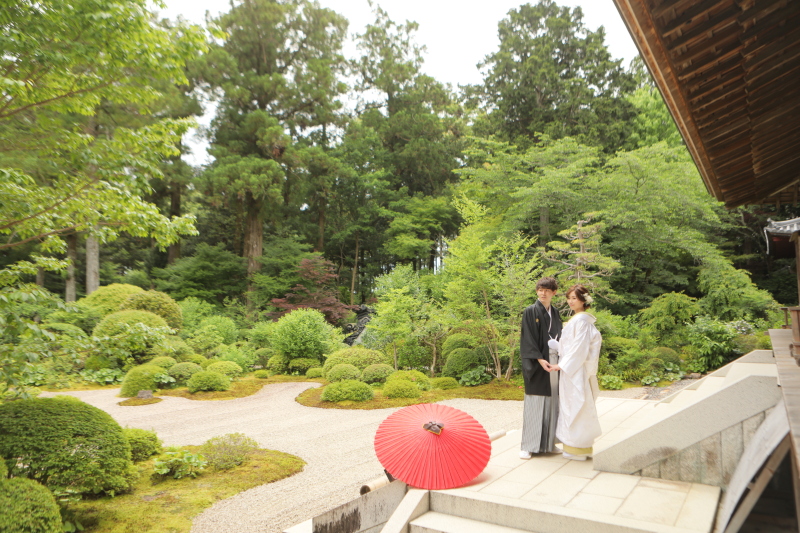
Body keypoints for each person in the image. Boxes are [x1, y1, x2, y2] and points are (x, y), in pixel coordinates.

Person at [552, 284, 602, 461]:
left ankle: (577, 449)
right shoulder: (580, 320)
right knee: (575, 405)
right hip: (573, 368)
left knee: (575, 405)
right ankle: (579, 447)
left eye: (574, 298)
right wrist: (558, 347)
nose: (570, 301)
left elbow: (579, 348)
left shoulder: (581, 321)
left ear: (583, 300)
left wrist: (562, 365)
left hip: (574, 370)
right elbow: (574, 346)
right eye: (569, 298)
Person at [518, 276, 562, 458]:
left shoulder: (555, 312)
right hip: (537, 363)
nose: (543, 293)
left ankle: (549, 444)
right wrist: (539, 359)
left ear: (554, 293)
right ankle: (528, 446)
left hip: (553, 362)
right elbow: (527, 337)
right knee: (535, 403)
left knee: (553, 402)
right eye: (540, 290)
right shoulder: (531, 311)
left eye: (547, 290)